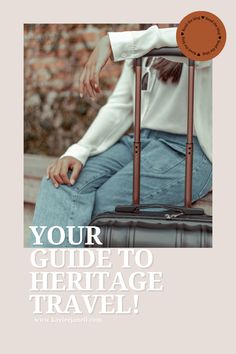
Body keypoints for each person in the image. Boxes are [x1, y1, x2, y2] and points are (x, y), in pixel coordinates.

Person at [29, 24, 212, 247]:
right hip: (139, 141)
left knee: (106, 209)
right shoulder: (142, 39)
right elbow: (121, 106)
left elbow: (198, 37)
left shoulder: (205, 30)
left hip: (188, 151)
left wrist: (112, 43)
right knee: (60, 182)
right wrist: (79, 150)